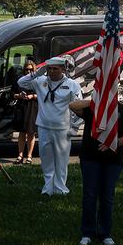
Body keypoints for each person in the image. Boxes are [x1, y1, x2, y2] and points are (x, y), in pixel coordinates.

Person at [68, 99, 123, 245]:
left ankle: (105, 233)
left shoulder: (122, 110)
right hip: (90, 158)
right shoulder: (93, 108)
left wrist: (115, 142)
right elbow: (72, 105)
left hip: (113, 160)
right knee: (89, 195)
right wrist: (95, 101)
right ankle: (87, 233)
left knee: (107, 196)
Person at [17, 56, 82, 196]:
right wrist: (36, 73)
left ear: (63, 69)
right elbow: (21, 82)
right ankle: (48, 188)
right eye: (49, 69)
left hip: (62, 129)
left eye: (55, 69)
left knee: (61, 160)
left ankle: (60, 188)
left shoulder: (72, 84)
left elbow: (78, 107)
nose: (52, 71)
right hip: (44, 126)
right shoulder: (41, 81)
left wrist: (75, 127)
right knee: (46, 159)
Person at [13, 61, 39, 164]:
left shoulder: (38, 80)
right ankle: (20, 155)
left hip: (33, 107)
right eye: (26, 69)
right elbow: (12, 93)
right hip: (22, 107)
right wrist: (19, 95)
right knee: (22, 132)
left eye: (31, 69)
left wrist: (33, 96)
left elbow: (43, 95)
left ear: (34, 70)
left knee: (31, 132)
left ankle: (29, 156)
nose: (28, 71)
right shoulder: (20, 80)